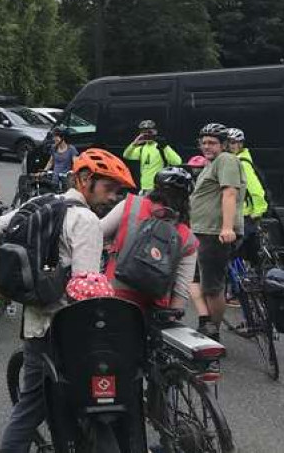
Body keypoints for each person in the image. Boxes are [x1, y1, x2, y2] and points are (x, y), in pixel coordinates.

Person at [0, 148, 134, 453]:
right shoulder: (86, 221)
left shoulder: (40, 204)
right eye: (109, 187)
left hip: (36, 324)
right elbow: (85, 293)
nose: (114, 197)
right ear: (84, 178)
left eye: (118, 192)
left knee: (30, 406)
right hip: (67, 335)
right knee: (79, 406)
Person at [101, 167, 199, 311]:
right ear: (186, 199)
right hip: (153, 308)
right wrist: (173, 314)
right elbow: (182, 290)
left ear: (155, 189)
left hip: (113, 295)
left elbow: (97, 232)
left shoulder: (130, 205)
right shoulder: (188, 237)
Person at [189, 123, 245, 340]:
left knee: (212, 287)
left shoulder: (227, 160)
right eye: (203, 142)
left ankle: (213, 336)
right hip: (201, 231)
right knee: (191, 278)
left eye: (212, 142)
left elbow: (229, 193)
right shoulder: (209, 164)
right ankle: (205, 321)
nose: (206, 146)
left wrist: (227, 227)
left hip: (214, 233)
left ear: (223, 144)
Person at [123, 119, 183, 192]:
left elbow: (178, 162)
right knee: (137, 203)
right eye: (144, 132)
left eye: (149, 132)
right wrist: (134, 143)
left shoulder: (161, 147)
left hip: (158, 189)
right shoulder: (142, 148)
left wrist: (165, 147)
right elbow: (126, 155)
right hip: (143, 188)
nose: (147, 134)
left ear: (155, 132)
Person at [226, 127, 268, 221]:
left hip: (243, 214)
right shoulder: (232, 160)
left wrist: (258, 211)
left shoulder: (242, 163)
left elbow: (255, 188)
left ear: (240, 144)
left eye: (233, 142)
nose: (229, 146)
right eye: (227, 143)